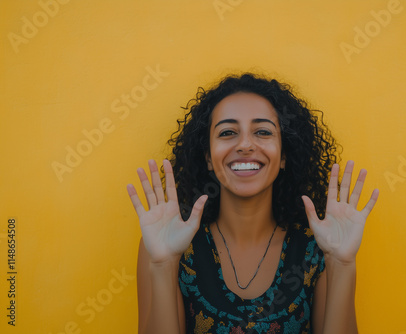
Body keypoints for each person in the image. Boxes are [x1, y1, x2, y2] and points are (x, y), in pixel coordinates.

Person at [127, 73, 379, 334]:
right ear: (208, 158)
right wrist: (163, 264)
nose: (245, 144)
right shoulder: (167, 244)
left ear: (283, 156)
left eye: (262, 132)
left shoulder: (318, 247)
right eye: (227, 132)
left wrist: (342, 264)